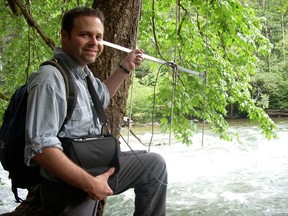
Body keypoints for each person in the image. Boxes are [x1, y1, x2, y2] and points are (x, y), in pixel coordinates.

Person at [24, 6, 167, 216]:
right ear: (65, 36)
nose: (94, 43)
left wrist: (125, 67)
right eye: (85, 35)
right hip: (67, 184)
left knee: (153, 166)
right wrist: (90, 184)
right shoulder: (49, 80)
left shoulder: (83, 74)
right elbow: (41, 148)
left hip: (98, 169)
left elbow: (102, 97)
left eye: (99, 37)